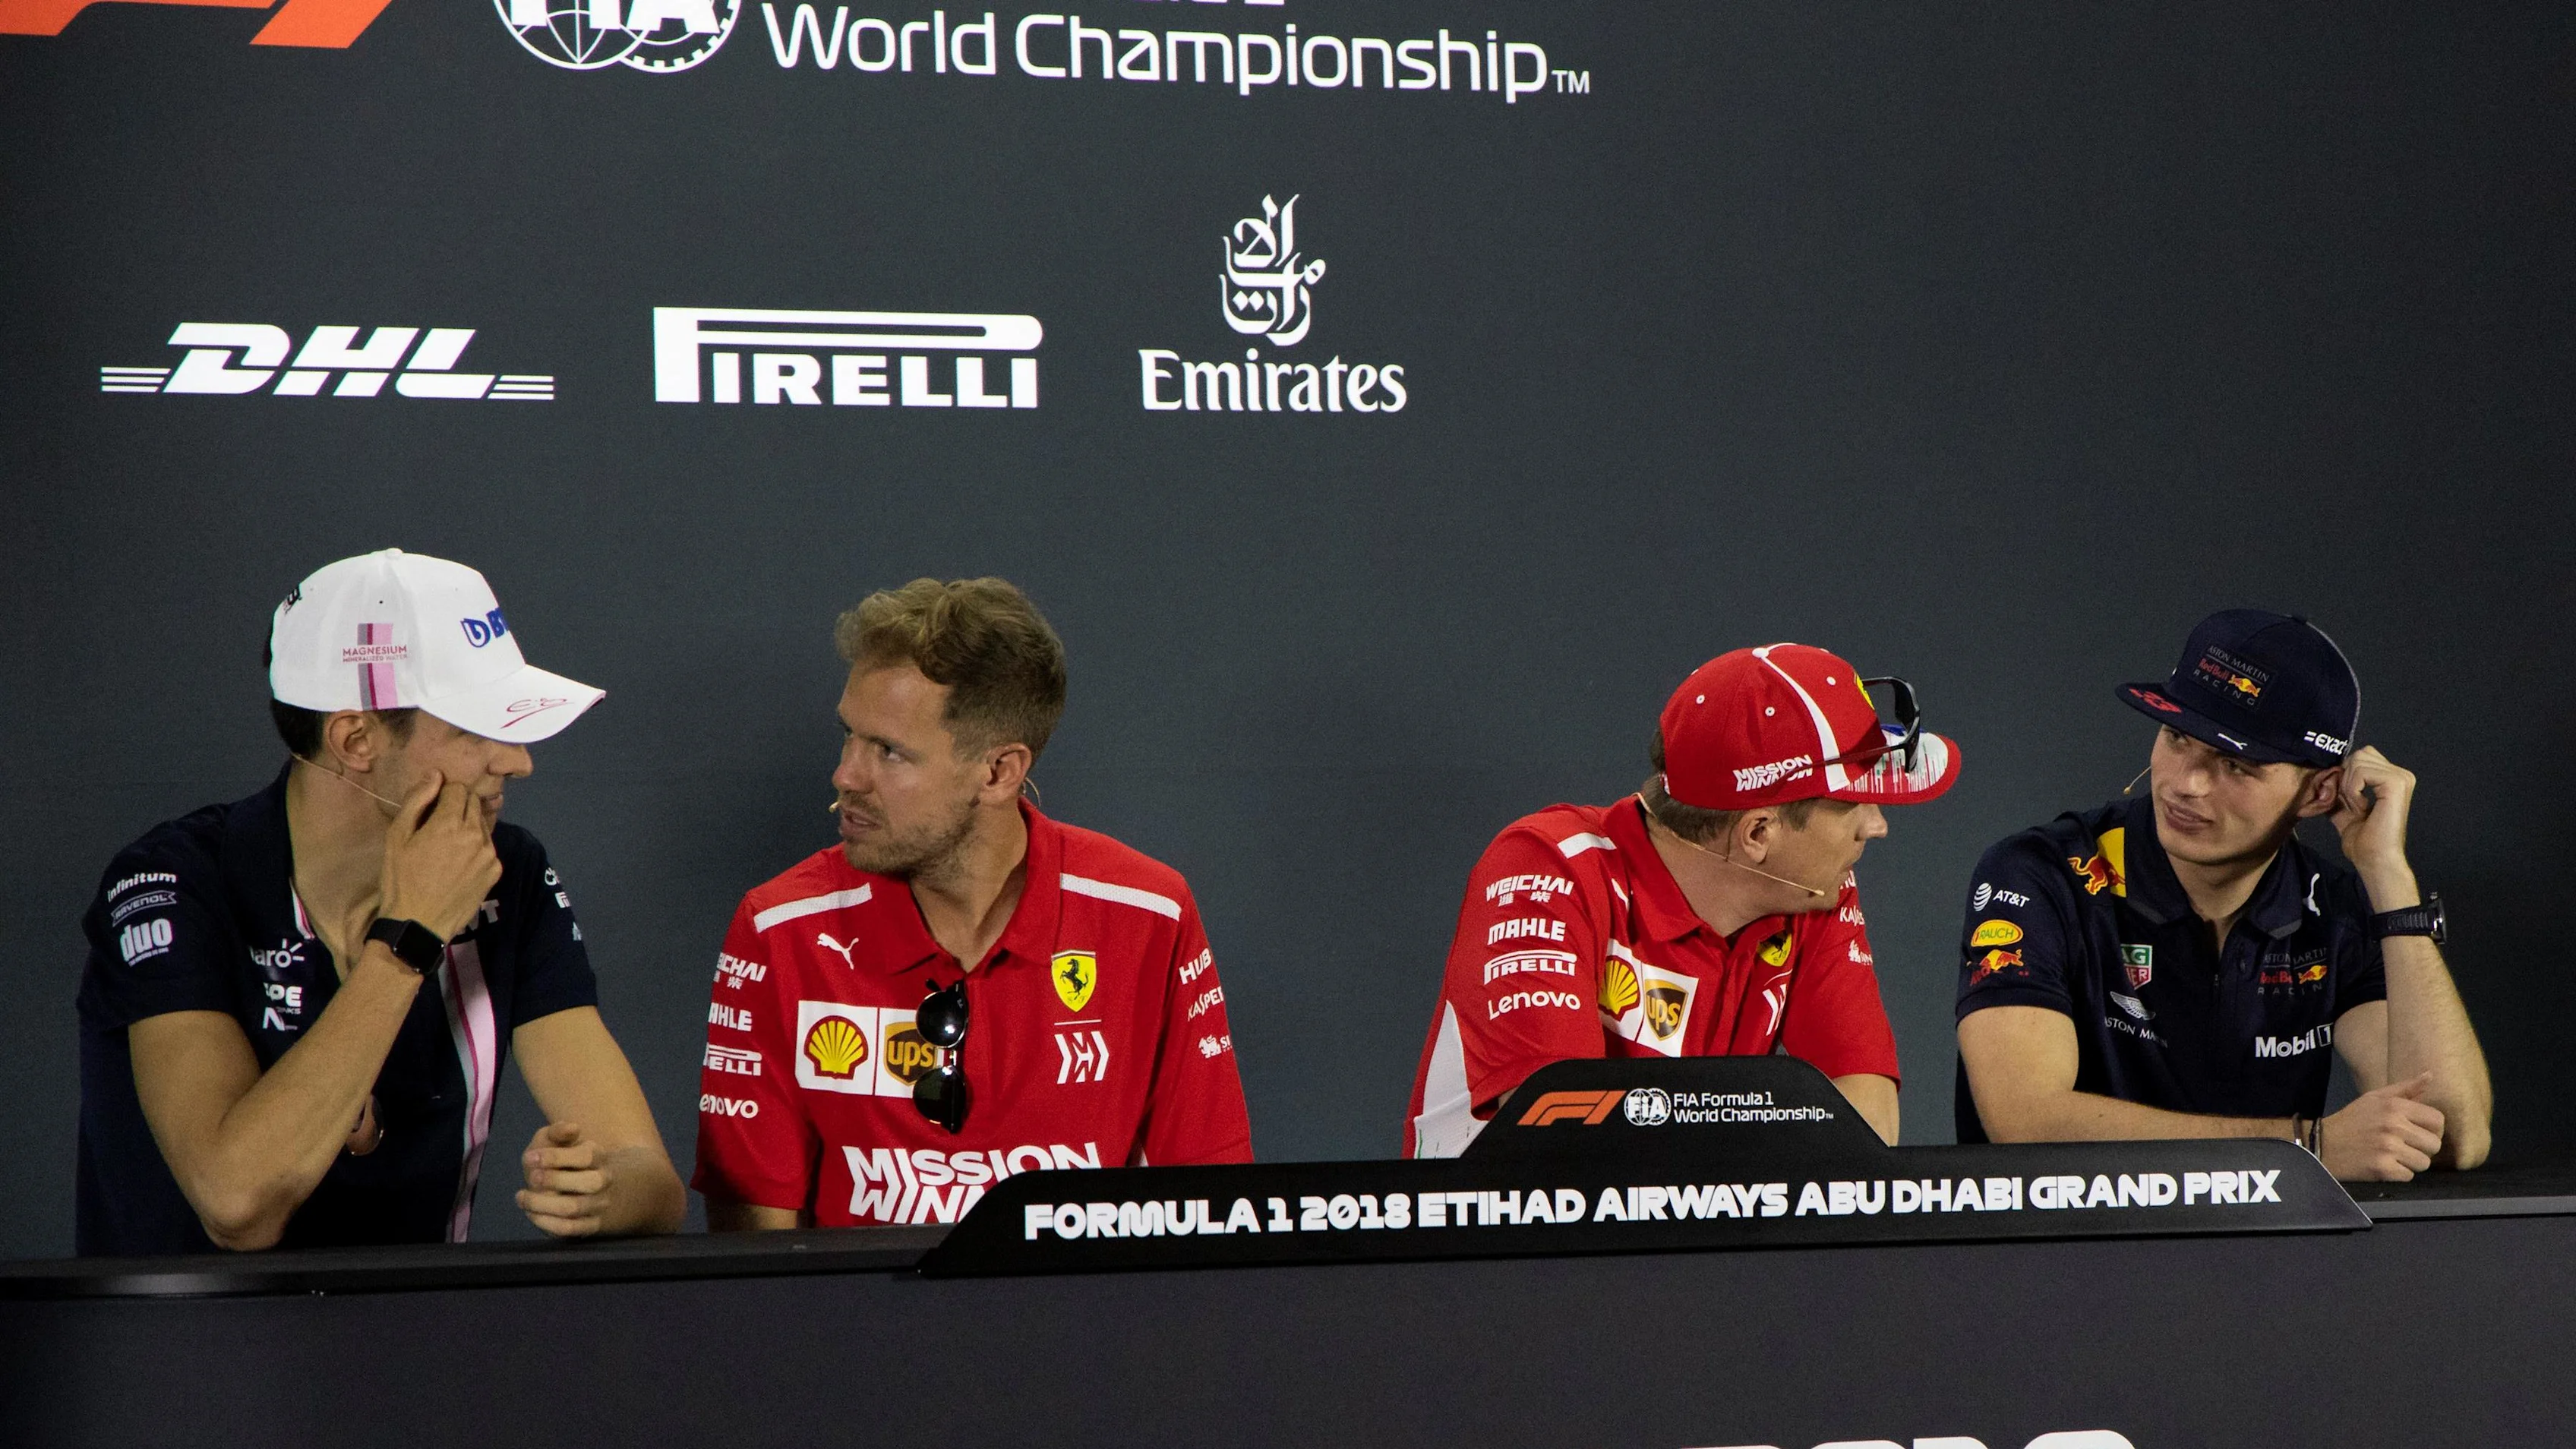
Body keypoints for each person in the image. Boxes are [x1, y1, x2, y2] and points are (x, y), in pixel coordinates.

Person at [76, 548, 685, 1255]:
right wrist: (409, 940)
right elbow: (237, 1204)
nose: (518, 760)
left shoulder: (507, 873)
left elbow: (653, 1182)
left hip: (414, 1343)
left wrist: (607, 1191)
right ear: (355, 739)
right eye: (474, 729)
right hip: (186, 1351)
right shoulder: (172, 882)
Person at [694, 577, 1251, 1230]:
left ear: (998, 772)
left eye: (889, 751)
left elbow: (1209, 1217)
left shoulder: (1149, 915)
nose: (846, 775)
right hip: (857, 1329)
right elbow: (755, 1268)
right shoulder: (778, 929)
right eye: (849, 736)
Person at [1953, 609, 2491, 1180]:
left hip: (2262, 1266)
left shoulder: (2335, 911)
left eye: (2235, 765)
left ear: (2320, 792)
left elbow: (2451, 1138)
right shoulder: (2040, 873)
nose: (2185, 783)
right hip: (2058, 1261)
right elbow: (2024, 1120)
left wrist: (2387, 875)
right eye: (2176, 737)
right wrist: (2306, 1147)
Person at [1403, 644, 1961, 1157]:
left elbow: (1869, 1127)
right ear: (1759, 835)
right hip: (1490, 1258)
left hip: (1693, 1253)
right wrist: (1769, 1126)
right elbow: (1560, 1147)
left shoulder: (1814, 891)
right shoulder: (1548, 867)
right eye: (1853, 805)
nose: (1877, 826)